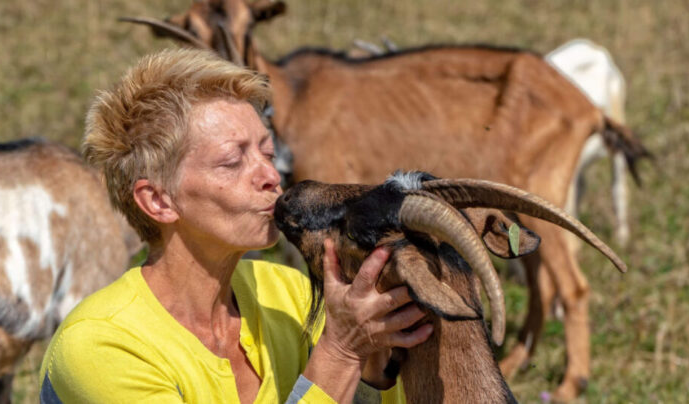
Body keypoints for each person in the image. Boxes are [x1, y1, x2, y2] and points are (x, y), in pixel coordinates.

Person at [38, 48, 433, 403]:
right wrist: (342, 351)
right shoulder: (103, 344)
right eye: (232, 162)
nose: (270, 176)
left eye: (267, 152)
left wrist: (371, 366)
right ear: (158, 201)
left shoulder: (291, 296)